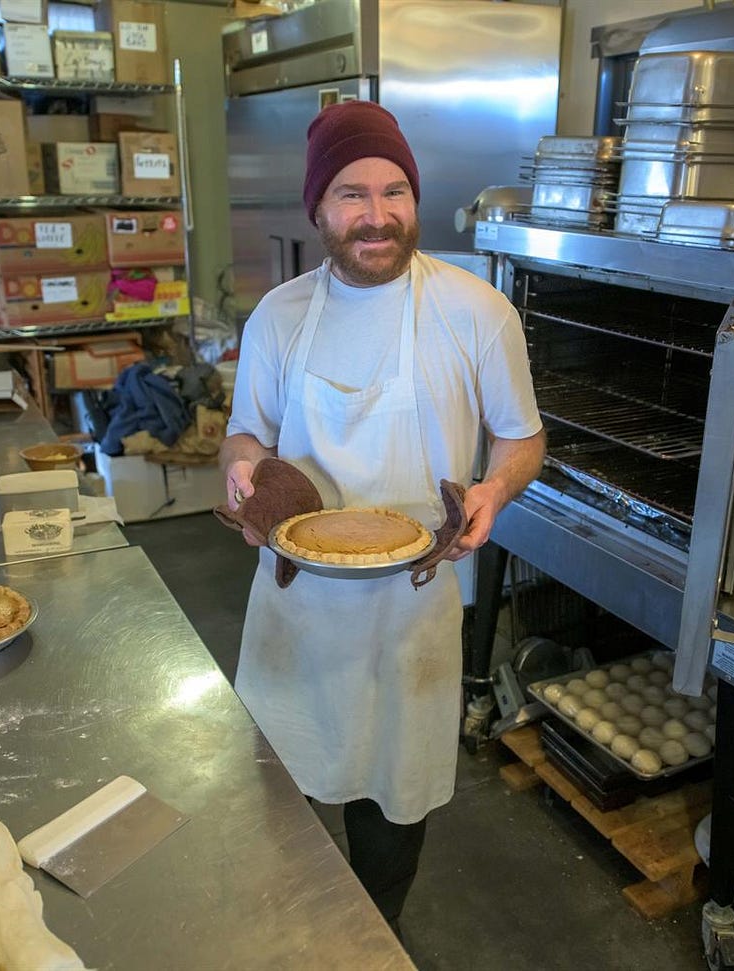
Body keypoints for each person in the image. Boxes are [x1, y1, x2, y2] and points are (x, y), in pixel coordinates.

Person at [219, 101, 544, 928]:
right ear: (319, 209)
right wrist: (243, 471)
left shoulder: (475, 312)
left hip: (412, 608)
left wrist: (494, 489)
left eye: (395, 190)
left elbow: (522, 437)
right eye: (352, 194)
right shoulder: (281, 315)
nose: (378, 214)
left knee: (392, 813)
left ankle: (375, 939)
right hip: (297, 606)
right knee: (274, 801)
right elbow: (244, 431)